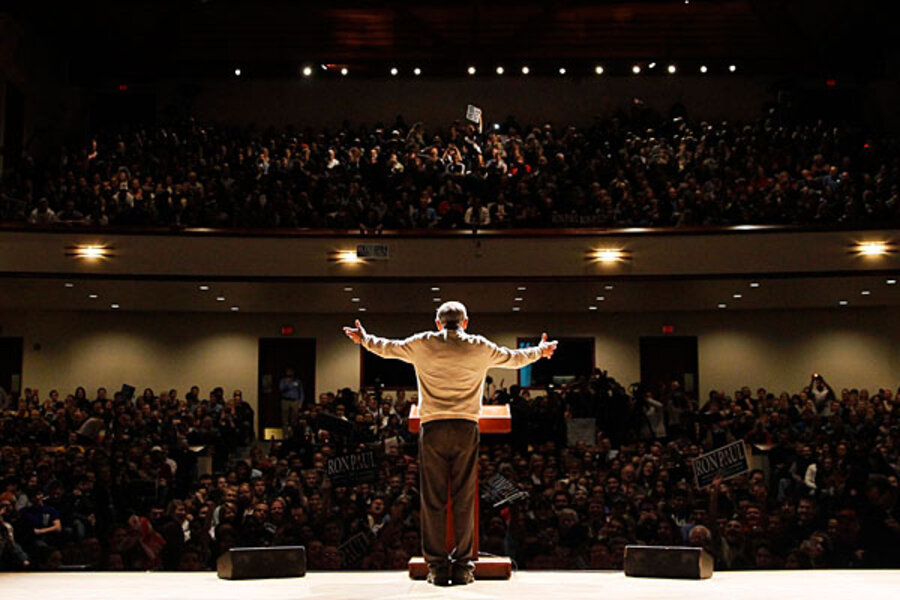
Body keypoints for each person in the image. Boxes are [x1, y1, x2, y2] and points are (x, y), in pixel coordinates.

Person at [343, 301, 557, 585]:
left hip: (432, 427)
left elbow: (387, 348)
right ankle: (464, 566)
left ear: (438, 322)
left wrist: (364, 339)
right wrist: (540, 351)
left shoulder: (422, 343)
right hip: (465, 427)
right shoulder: (479, 346)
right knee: (463, 498)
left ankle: (437, 567)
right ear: (466, 322)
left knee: (433, 499)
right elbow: (514, 358)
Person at [278, 367, 304, 434]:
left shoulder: (298, 381)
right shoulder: (283, 381)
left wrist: (300, 403)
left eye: (291, 371)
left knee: (294, 418)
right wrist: (287, 384)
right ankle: (285, 434)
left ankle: (294, 434)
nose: (289, 373)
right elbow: (281, 389)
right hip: (285, 400)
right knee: (285, 419)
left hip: (295, 401)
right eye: (288, 371)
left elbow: (301, 392)